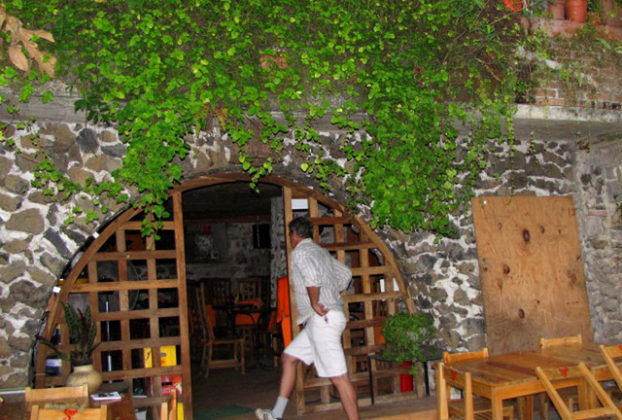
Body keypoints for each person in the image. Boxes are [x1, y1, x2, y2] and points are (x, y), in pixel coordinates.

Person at [255, 217, 360, 420]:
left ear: (294, 235)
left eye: (290, 235)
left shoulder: (301, 252)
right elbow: (345, 273)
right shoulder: (320, 251)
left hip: (323, 321)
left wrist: (315, 300)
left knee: (339, 378)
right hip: (320, 321)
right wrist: (331, 292)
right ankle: (276, 415)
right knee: (289, 358)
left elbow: (312, 276)